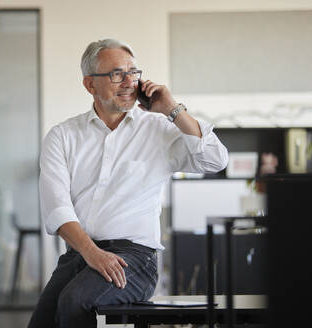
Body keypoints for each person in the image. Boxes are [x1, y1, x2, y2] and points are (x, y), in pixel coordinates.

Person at [27, 38, 228, 328]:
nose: (129, 82)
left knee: (75, 300)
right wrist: (92, 253)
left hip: (135, 259)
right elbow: (57, 208)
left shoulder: (159, 129)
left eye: (133, 72)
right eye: (116, 74)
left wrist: (172, 109)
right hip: (81, 254)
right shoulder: (62, 136)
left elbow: (216, 160)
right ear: (90, 85)